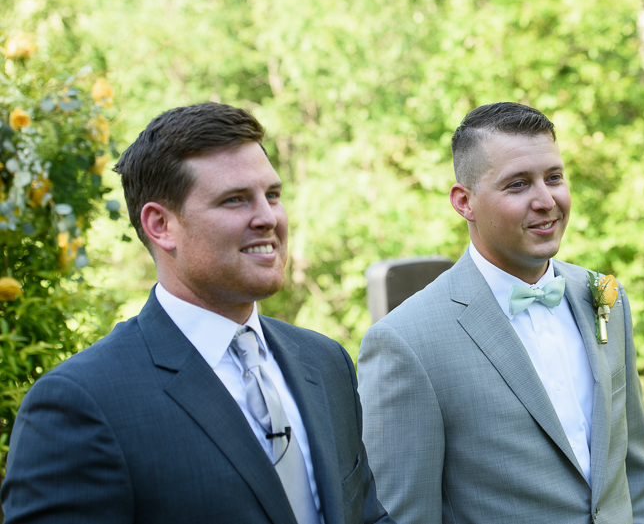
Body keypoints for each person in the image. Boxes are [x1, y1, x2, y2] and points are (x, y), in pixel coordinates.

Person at [1, 102, 393, 524]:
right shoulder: (82, 403)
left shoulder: (325, 361)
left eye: (273, 195)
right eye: (235, 200)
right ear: (160, 225)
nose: (268, 217)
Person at [358, 102, 644, 524]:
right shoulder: (406, 343)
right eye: (518, 185)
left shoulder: (604, 297)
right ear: (464, 201)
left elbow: (635, 468)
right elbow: (405, 515)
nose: (546, 200)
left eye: (554, 177)